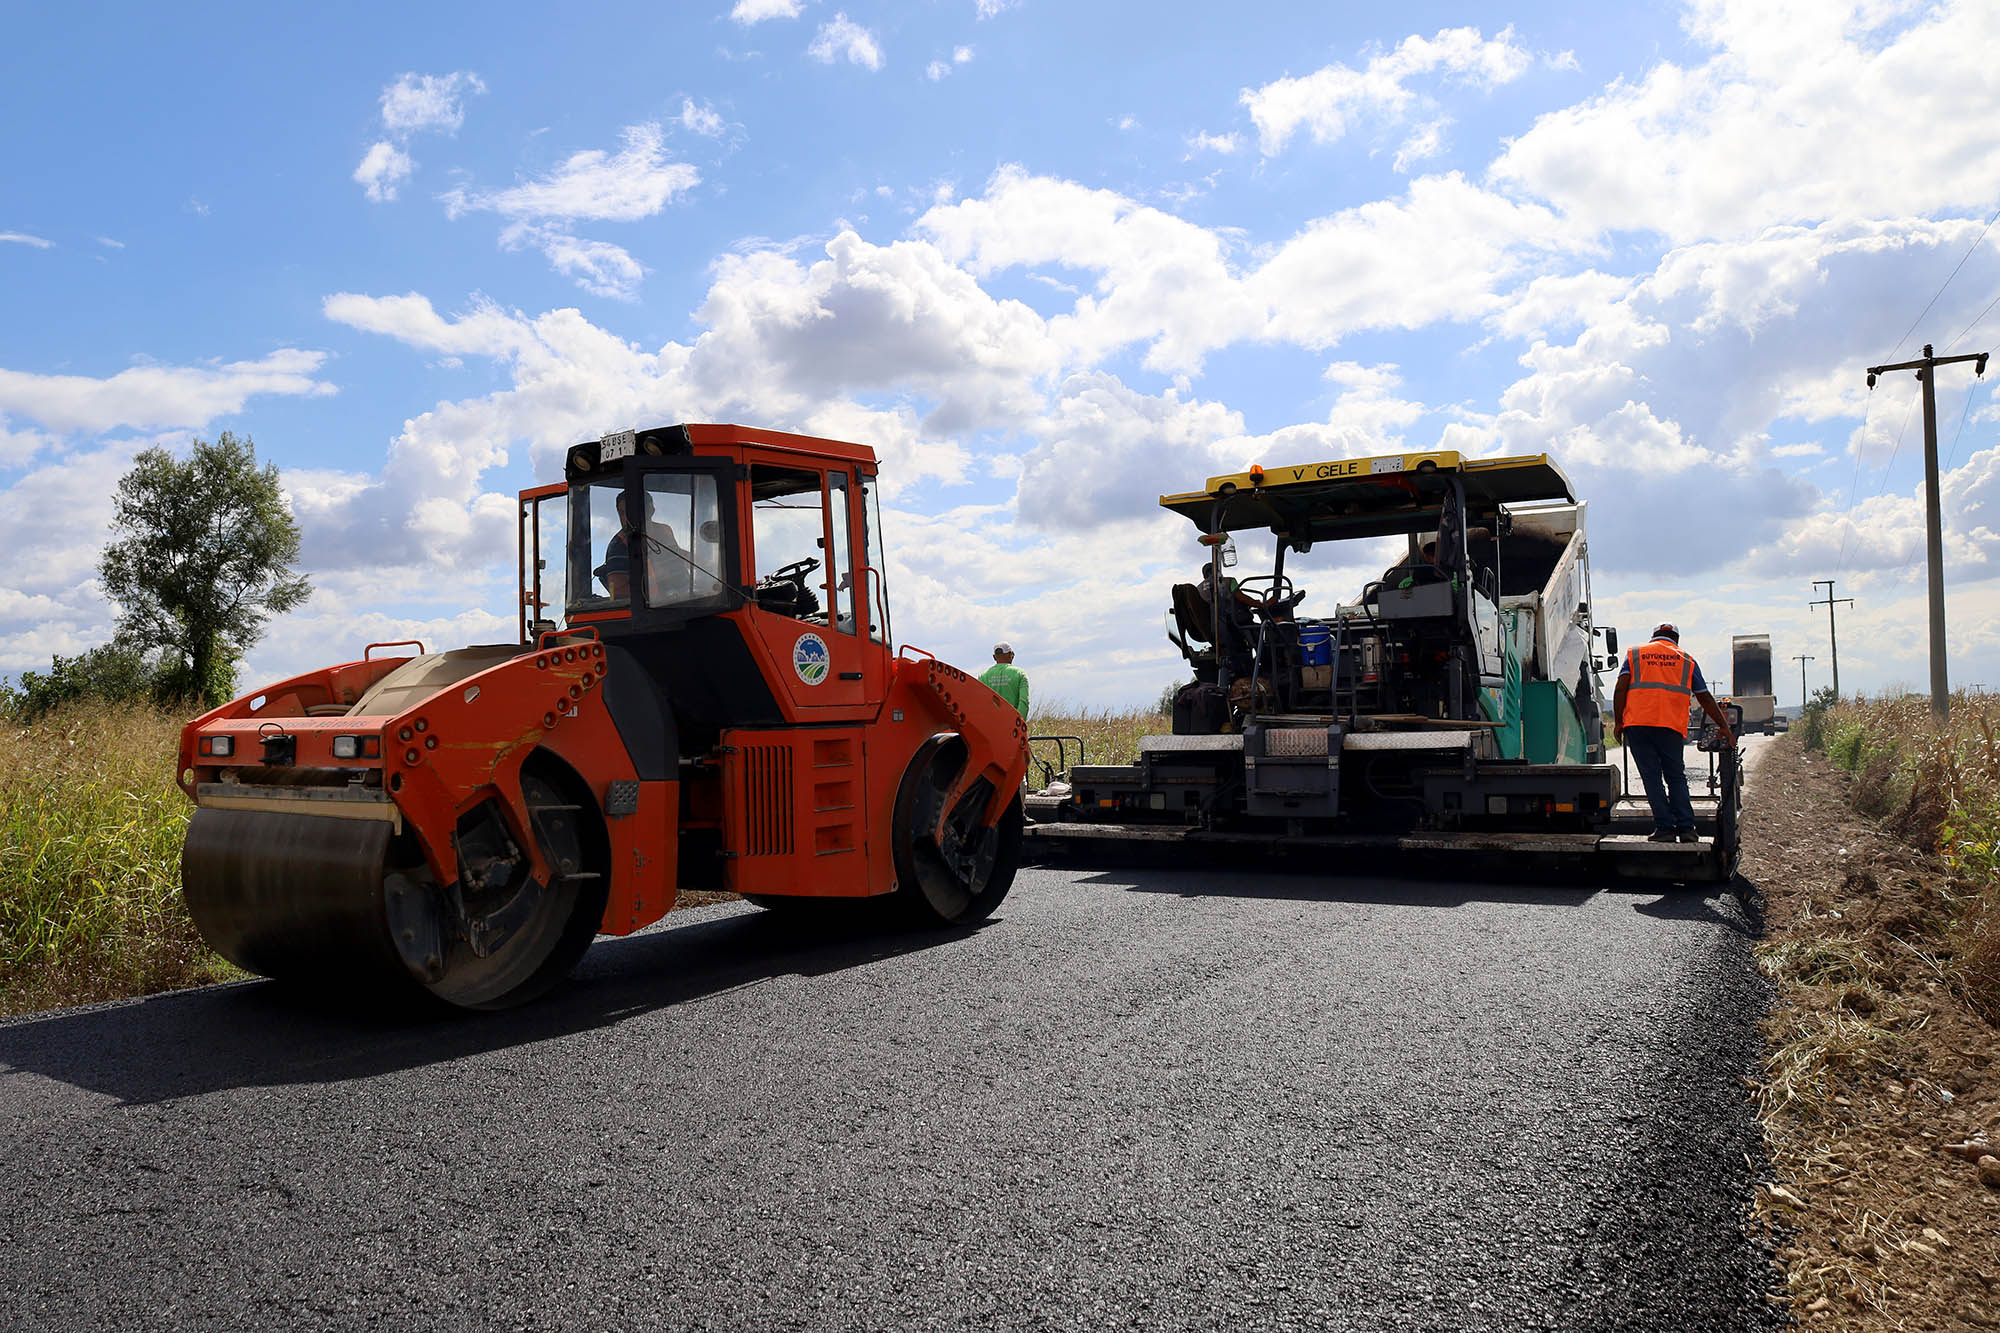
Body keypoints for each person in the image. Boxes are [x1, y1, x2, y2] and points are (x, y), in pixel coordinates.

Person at [1613, 622, 1736, 843]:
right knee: (1676, 777)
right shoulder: (1686, 660)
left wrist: (1618, 722)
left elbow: (1621, 687)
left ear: (1654, 636)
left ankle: (1665, 828)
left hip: (1638, 726)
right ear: (1676, 640)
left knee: (1652, 778)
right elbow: (1704, 696)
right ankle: (1687, 829)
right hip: (1670, 728)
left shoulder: (1635, 654)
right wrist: (1723, 726)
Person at [979, 642, 1030, 718]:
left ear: (994, 657)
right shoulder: (1020, 674)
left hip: (990, 724)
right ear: (1010, 654)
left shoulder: (983, 676)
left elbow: (980, 703)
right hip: (1012, 723)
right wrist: (1019, 723)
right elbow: (1024, 702)